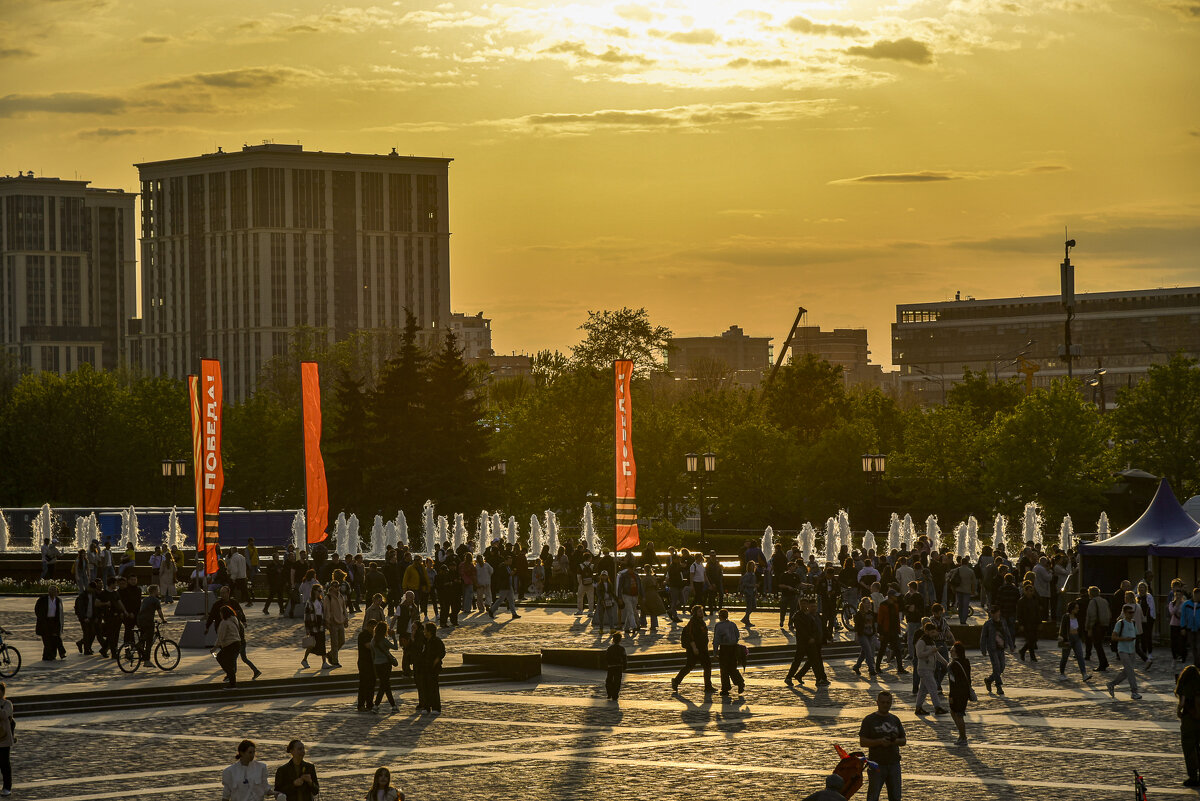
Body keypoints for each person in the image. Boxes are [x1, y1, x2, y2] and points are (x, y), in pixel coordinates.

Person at [859, 690, 906, 801]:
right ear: (877, 703)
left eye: (888, 703)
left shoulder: (895, 719)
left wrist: (894, 742)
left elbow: (903, 740)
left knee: (895, 796)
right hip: (876, 765)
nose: (885, 705)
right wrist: (879, 742)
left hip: (894, 764)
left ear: (891, 703)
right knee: (873, 796)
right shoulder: (869, 720)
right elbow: (863, 741)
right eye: (883, 702)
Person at [785, 593, 829, 687]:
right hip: (803, 642)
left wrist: (814, 637)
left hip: (811, 642)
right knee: (797, 661)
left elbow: (815, 628)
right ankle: (789, 677)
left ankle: (819, 679)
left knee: (814, 660)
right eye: (802, 604)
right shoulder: (798, 616)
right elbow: (801, 630)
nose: (804, 606)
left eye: (805, 604)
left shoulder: (810, 615)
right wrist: (810, 638)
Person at [672, 605, 716, 694]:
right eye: (699, 611)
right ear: (695, 613)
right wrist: (694, 648)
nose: (701, 613)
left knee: (707, 666)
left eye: (702, 611)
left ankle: (708, 686)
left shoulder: (701, 621)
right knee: (689, 666)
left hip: (703, 648)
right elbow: (690, 636)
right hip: (695, 649)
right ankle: (676, 681)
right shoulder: (693, 622)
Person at [1106, 603, 1143, 700]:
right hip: (1123, 650)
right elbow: (1113, 637)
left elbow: (1135, 635)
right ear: (1125, 613)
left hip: (1132, 650)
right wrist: (1124, 639)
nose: (1131, 614)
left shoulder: (1133, 622)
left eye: (1132, 612)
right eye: (1129, 612)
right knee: (1130, 671)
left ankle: (1112, 684)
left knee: (1126, 672)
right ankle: (1134, 691)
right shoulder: (1120, 623)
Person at [914, 622, 950, 715]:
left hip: (929, 669)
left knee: (923, 690)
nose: (935, 634)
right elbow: (919, 655)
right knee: (933, 687)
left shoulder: (931, 641)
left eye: (935, 632)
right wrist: (931, 651)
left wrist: (946, 663)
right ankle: (937, 707)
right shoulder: (921, 642)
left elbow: (936, 655)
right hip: (924, 669)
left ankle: (918, 708)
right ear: (927, 631)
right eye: (933, 632)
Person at [980, 606, 1013, 695]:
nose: (994, 615)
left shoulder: (1003, 622)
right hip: (992, 648)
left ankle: (989, 679)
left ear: (999, 612)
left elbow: (1007, 633)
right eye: (992, 613)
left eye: (996, 612)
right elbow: (983, 637)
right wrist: (983, 649)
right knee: (996, 666)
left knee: (1002, 667)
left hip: (1001, 648)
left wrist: (1011, 644)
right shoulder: (987, 624)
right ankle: (998, 686)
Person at [1176, 664, 1200, 788]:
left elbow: (1182, 702)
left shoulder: (1185, 685)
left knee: (1189, 749)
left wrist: (1178, 712)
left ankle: (1193, 777)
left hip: (1189, 720)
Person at [1058, 600, 1093, 682]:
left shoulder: (1078, 617)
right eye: (1076, 608)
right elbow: (1062, 628)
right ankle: (1062, 673)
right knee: (1065, 657)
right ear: (1072, 609)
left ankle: (1084, 674)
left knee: (1080, 656)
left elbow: (1080, 628)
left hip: (1076, 638)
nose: (1078, 610)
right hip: (1067, 638)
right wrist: (1063, 639)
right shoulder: (1066, 617)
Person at [712, 608, 744, 696]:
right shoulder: (733, 624)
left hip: (724, 648)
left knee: (724, 669)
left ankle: (725, 688)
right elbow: (737, 635)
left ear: (719, 616)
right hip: (733, 648)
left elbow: (716, 640)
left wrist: (715, 652)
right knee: (733, 667)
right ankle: (740, 682)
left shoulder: (719, 626)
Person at [416, 622, 445, 714]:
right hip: (424, 667)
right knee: (425, 687)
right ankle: (426, 706)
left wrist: (435, 663)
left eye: (425, 630)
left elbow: (441, 653)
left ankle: (436, 707)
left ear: (430, 631)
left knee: (433, 688)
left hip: (433, 668)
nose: (424, 631)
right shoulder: (424, 641)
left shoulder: (436, 641)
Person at [947, 641, 973, 746]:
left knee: (958, 714)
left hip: (957, 692)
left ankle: (963, 736)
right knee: (956, 713)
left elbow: (953, 682)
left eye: (952, 650)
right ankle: (962, 736)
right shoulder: (966, 662)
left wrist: (951, 695)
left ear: (956, 652)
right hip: (965, 691)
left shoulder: (953, 665)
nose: (950, 651)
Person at [34, 584, 67, 661]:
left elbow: (60, 613)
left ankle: (52, 655)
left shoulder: (58, 600)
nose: (53, 592)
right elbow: (37, 610)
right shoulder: (42, 599)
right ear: (48, 591)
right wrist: (42, 618)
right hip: (45, 622)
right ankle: (47, 656)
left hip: (54, 622)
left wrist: (60, 624)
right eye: (51, 590)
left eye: (55, 590)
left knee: (55, 639)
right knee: (47, 640)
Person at [372, 622, 399, 712]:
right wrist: (394, 637)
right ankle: (376, 705)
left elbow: (373, 655)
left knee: (385, 685)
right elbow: (395, 647)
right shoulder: (384, 640)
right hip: (385, 664)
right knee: (384, 685)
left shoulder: (373, 641)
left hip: (377, 664)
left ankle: (393, 706)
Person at [302, 585, 329, 670]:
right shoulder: (309, 602)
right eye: (319, 591)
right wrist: (307, 629)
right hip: (313, 625)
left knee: (322, 643)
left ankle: (324, 662)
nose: (320, 592)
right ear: (314, 591)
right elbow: (306, 616)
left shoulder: (321, 601)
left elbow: (323, 614)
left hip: (320, 624)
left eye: (321, 591)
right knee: (312, 644)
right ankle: (304, 659)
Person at [1085, 585, 1111, 672]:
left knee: (1097, 645)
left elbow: (1091, 616)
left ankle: (1103, 664)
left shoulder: (1093, 602)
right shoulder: (1104, 601)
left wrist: (1088, 628)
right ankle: (1104, 662)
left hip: (1097, 626)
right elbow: (1109, 614)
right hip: (1104, 625)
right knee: (1099, 645)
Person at [136, 585, 166, 662]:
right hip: (148, 621)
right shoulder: (155, 600)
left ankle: (142, 654)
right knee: (149, 640)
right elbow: (160, 612)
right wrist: (163, 620)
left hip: (140, 620)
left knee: (143, 637)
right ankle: (147, 659)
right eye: (157, 590)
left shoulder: (145, 599)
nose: (158, 591)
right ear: (154, 591)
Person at [214, 606, 241, 687]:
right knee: (230, 663)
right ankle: (231, 679)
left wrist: (214, 647)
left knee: (220, 657)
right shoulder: (234, 620)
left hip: (230, 645)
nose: (220, 614)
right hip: (237, 644)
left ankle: (232, 682)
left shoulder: (224, 622)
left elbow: (221, 636)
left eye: (221, 613)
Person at [852, 597, 878, 678]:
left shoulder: (872, 613)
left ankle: (857, 666)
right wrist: (856, 636)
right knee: (868, 651)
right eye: (866, 603)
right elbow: (856, 626)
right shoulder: (859, 614)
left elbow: (874, 624)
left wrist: (876, 632)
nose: (868, 604)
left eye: (869, 603)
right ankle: (871, 669)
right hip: (862, 634)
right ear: (862, 604)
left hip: (870, 634)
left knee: (864, 652)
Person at [325, 578, 348, 668]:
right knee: (334, 642)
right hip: (333, 622)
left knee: (342, 641)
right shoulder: (328, 597)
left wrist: (346, 618)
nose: (337, 588)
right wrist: (327, 621)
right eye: (335, 586)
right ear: (331, 587)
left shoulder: (340, 596)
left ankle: (330, 654)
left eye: (338, 586)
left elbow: (344, 608)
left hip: (341, 621)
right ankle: (335, 660)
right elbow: (326, 610)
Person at [1017, 582, 1042, 662]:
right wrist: (1020, 624)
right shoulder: (1021, 601)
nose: (1030, 592)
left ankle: (1023, 651)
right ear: (1025, 591)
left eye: (1031, 591)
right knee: (1030, 639)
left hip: (1034, 622)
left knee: (1033, 639)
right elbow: (1019, 614)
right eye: (1029, 590)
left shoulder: (1034, 600)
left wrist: (1040, 622)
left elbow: (1037, 612)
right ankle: (1032, 655)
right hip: (1026, 623)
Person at [357, 621, 378, 712]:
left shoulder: (372, 636)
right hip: (364, 662)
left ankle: (369, 703)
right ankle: (361, 704)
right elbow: (368, 646)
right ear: (368, 626)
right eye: (373, 628)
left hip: (371, 662)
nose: (374, 630)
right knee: (364, 684)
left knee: (372, 683)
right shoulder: (364, 635)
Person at [605, 631, 627, 701]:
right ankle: (615, 694)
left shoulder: (610, 648)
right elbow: (624, 658)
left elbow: (606, 657)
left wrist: (607, 664)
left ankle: (609, 693)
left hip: (611, 666)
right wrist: (625, 666)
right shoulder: (622, 649)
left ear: (613, 640)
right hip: (619, 666)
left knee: (609, 680)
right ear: (620, 640)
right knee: (617, 681)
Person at [0, 683, 11, 796]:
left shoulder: (7, 704)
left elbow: (4, 715)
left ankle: (7, 787)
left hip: (4, 739)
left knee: (4, 764)